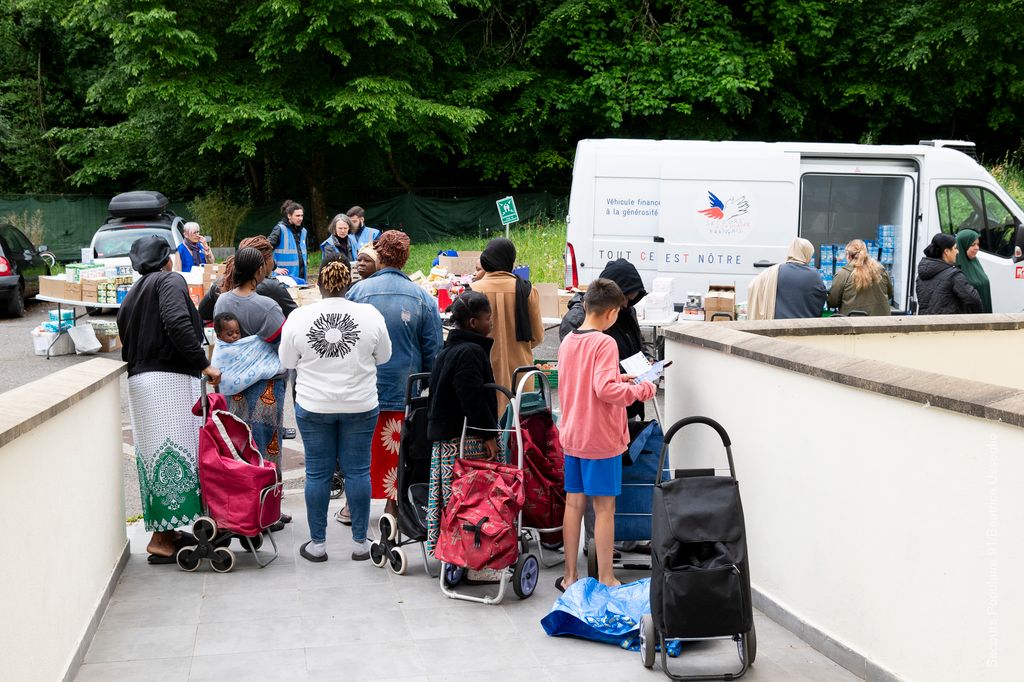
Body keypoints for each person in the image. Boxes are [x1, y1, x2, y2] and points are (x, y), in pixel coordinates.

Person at [116, 236, 222, 563]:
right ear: (167, 258)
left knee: (157, 456)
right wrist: (203, 364)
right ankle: (162, 540)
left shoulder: (135, 292)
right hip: (167, 381)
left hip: (141, 381)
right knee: (174, 454)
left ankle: (168, 531)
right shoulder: (169, 279)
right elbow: (176, 322)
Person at [279, 261, 392, 562]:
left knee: (317, 473)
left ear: (318, 285)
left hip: (314, 404)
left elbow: (287, 359)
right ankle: (359, 543)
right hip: (360, 403)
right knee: (358, 472)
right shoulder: (369, 315)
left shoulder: (299, 316)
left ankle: (318, 544)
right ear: (348, 285)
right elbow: (384, 355)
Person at [556, 279, 657, 590]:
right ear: (612, 313)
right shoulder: (605, 343)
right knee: (604, 509)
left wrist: (621, 376)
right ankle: (606, 577)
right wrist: (642, 388)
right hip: (600, 439)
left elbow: (587, 380)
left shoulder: (569, 341)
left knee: (573, 504)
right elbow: (604, 389)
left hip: (572, 434)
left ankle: (570, 576)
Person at [343, 230, 443, 523]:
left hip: (362, 391)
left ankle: (353, 507)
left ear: (379, 253)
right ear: (406, 256)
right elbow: (433, 353)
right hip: (405, 392)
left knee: (360, 452)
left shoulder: (357, 294)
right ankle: (393, 505)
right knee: (399, 454)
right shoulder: (423, 298)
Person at [213, 247, 290, 531]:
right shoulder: (267, 307)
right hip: (264, 386)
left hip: (233, 386)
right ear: (259, 271)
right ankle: (269, 511)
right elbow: (283, 344)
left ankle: (244, 507)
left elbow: (226, 341)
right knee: (268, 445)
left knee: (241, 444)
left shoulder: (222, 301)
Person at [424, 291, 498, 553]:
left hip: (447, 439)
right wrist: (489, 434)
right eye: (488, 319)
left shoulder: (450, 349)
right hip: (464, 442)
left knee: (449, 498)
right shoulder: (470, 352)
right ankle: (465, 551)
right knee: (467, 499)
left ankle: (449, 548)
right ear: (473, 323)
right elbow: (471, 398)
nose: (492, 324)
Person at [471, 237, 544, 413]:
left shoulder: (475, 289)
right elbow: (537, 336)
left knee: (487, 425)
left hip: (484, 369)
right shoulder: (527, 289)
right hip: (520, 372)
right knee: (518, 428)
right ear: (510, 260)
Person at [198, 236, 297, 323]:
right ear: (264, 262)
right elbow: (295, 317)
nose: (274, 262)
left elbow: (203, 313)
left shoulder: (221, 284)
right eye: (272, 257)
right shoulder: (272, 288)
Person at [748, 238, 826, 320]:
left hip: (777, 325)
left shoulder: (773, 271)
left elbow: (752, 286)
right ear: (807, 253)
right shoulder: (814, 275)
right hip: (803, 327)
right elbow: (820, 298)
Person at [916, 233, 983, 315]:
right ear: (946, 251)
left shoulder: (921, 275)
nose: (957, 252)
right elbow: (974, 300)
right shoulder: (954, 275)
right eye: (955, 248)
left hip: (925, 324)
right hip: (949, 325)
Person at [827, 239, 893, 316]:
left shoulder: (843, 274)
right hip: (880, 322)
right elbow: (890, 294)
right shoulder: (880, 271)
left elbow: (832, 302)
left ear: (848, 255)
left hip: (853, 323)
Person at [269, 199, 308, 281]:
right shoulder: (280, 229)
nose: (300, 218)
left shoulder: (304, 231)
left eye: (302, 215)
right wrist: (274, 268)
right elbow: (264, 249)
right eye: (297, 216)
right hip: (284, 280)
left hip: (301, 279)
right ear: (289, 216)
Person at [955, 229, 993, 313]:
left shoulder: (975, 263)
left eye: (978, 244)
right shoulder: (956, 267)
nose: (977, 248)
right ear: (963, 245)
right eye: (973, 245)